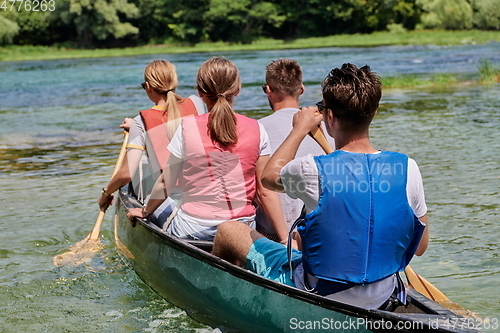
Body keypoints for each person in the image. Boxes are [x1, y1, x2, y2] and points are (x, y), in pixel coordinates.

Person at [212, 63, 429, 310]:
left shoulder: (311, 169)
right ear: (375, 112)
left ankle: (224, 306)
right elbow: (420, 247)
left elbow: (269, 178)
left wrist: (299, 130)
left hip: (319, 293)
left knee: (229, 230)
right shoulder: (408, 167)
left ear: (330, 116)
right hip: (382, 294)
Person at [127, 57, 273, 241]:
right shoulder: (257, 129)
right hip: (243, 225)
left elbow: (166, 183)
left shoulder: (186, 127)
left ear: (200, 92)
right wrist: (282, 237)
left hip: (194, 227)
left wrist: (144, 211)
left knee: (158, 201)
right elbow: (264, 190)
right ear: (237, 90)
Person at [97, 60, 205, 223]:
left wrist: (106, 193)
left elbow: (126, 174)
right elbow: (178, 126)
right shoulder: (197, 103)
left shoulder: (142, 121)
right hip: (205, 192)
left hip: (171, 200)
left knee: (143, 172)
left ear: (148, 86)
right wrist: (136, 127)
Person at [256, 58, 334, 245]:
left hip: (274, 235)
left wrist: (284, 239)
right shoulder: (327, 130)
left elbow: (261, 189)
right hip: (317, 231)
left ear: (268, 90)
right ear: (301, 90)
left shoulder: (257, 128)